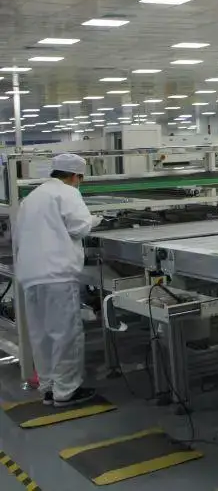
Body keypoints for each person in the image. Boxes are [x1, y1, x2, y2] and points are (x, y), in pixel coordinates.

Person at [14, 153, 101, 407]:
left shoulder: (31, 197)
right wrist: (95, 220)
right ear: (75, 176)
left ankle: (49, 387)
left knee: (41, 334)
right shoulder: (67, 193)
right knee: (65, 333)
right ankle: (67, 391)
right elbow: (79, 227)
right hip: (57, 275)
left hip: (30, 274)